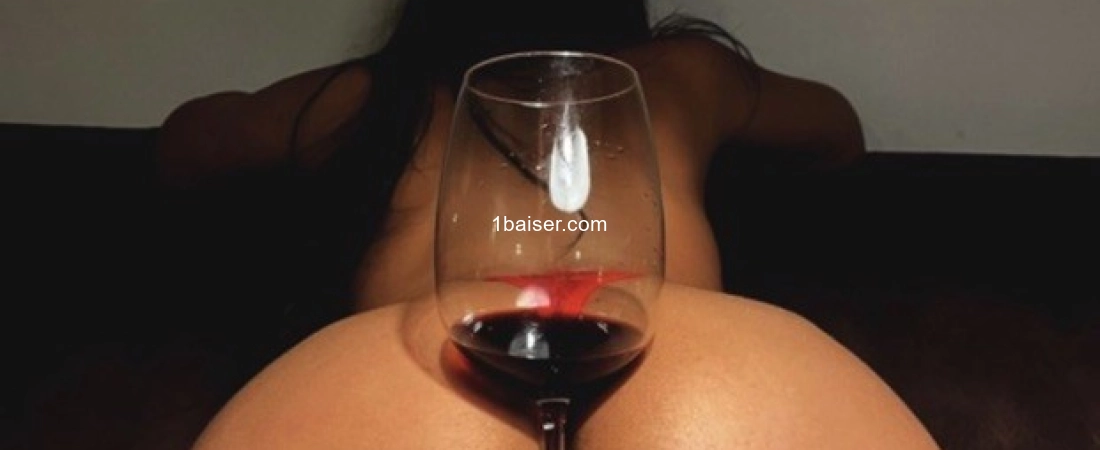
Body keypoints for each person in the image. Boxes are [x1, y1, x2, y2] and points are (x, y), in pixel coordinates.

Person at [158, 0, 937, 447]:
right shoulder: (681, 76)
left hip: (415, 363)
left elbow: (188, 144)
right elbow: (839, 131)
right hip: (688, 352)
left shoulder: (376, 97)